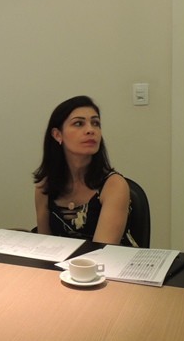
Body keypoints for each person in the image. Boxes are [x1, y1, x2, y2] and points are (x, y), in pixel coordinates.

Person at [33, 95, 136, 246]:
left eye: (95, 123)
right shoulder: (45, 186)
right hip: (59, 260)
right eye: (79, 123)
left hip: (107, 260)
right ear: (57, 135)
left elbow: (101, 252)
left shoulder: (114, 185)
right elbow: (44, 246)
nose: (90, 130)